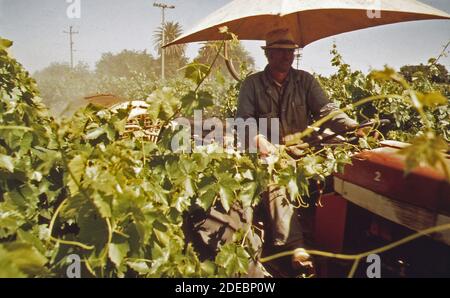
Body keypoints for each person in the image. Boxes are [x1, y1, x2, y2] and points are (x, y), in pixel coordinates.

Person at [235, 28, 362, 274]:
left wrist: (353, 127)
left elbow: (327, 111)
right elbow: (244, 122)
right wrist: (261, 141)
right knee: (276, 179)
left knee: (346, 168)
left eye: (291, 52)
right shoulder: (252, 85)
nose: (288, 57)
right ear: (269, 54)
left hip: (305, 149)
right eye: (282, 52)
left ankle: (344, 235)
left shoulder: (305, 81)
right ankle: (295, 245)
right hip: (271, 154)